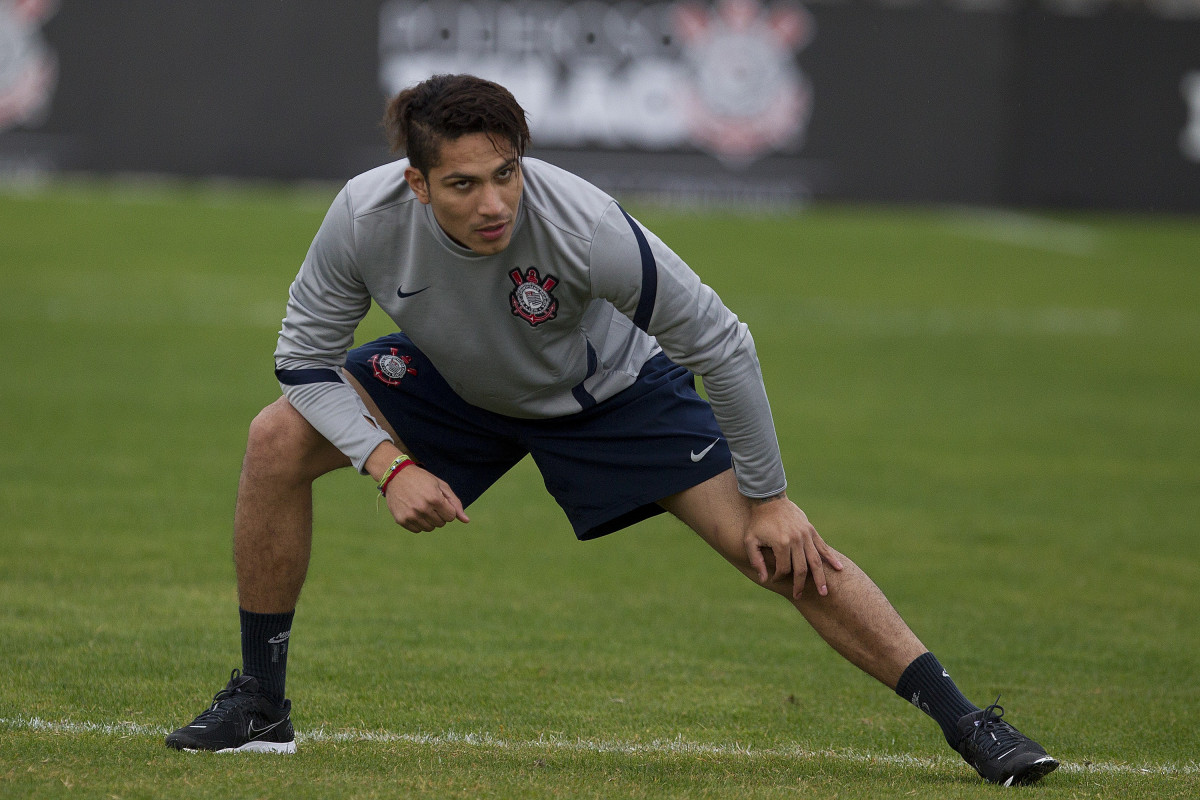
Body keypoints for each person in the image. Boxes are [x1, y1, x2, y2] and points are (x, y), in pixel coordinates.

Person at [165, 74, 1058, 786]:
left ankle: (971, 724)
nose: (493, 203)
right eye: (463, 184)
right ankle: (261, 706)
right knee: (272, 439)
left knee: (777, 548)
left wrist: (772, 496)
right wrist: (390, 463)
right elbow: (305, 361)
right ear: (416, 182)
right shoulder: (362, 218)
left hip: (613, 399)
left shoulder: (583, 223)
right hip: (454, 383)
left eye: (506, 173)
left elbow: (723, 343)